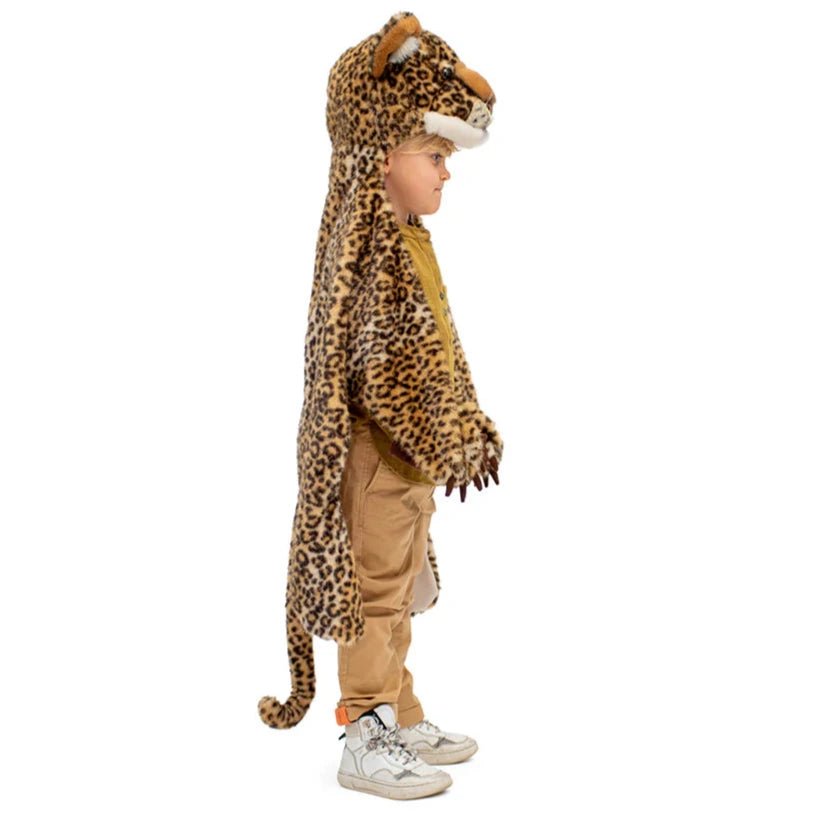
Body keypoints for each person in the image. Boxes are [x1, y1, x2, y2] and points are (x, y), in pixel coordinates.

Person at [256, 12, 504, 802]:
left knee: (399, 593)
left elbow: (438, 351)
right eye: (436, 156)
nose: (446, 173)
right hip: (380, 459)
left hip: (408, 463)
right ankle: (365, 731)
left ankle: (400, 712)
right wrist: (447, 431)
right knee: (375, 594)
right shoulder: (367, 246)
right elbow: (388, 371)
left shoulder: (407, 235)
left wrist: (459, 421)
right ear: (383, 153)